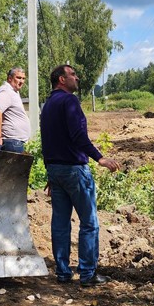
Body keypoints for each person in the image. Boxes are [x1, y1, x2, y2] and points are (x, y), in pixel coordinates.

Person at [40, 64, 121, 287]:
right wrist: (99, 158)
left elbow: (47, 140)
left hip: (56, 170)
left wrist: (51, 169)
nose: (77, 78)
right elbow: (78, 136)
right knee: (89, 223)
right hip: (74, 170)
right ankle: (87, 274)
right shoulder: (69, 101)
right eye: (73, 75)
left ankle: (63, 272)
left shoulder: (48, 105)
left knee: (60, 223)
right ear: (61, 80)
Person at [0, 67, 30, 153]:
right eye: (18, 78)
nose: (21, 81)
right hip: (12, 142)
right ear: (10, 78)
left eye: (23, 78)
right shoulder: (7, 92)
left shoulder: (13, 92)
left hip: (14, 142)